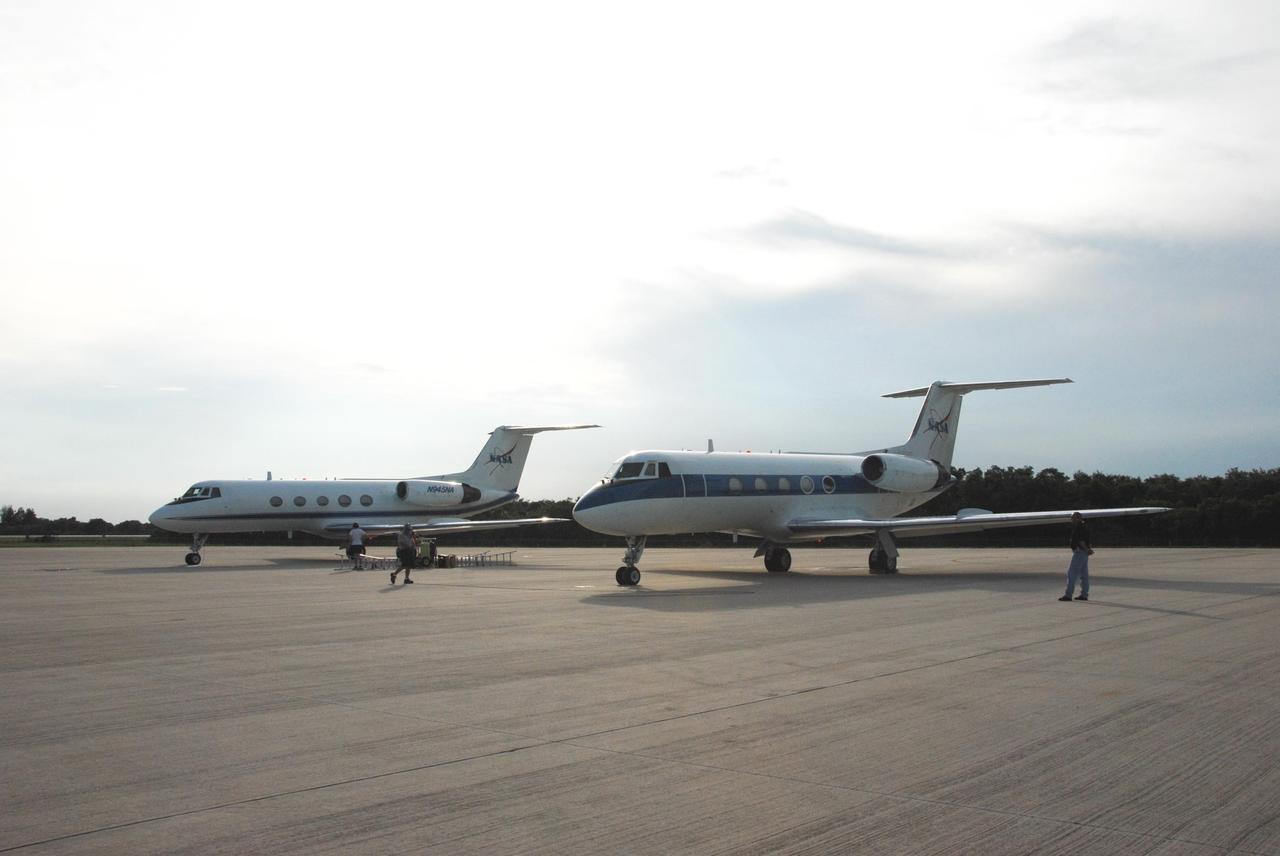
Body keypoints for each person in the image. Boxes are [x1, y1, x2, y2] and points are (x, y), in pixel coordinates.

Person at [1059, 512, 1093, 601]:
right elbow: (1087, 540)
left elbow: (1080, 541)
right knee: (1084, 574)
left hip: (1080, 552)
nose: (1071, 519)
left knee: (1071, 573)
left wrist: (1086, 550)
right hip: (1084, 553)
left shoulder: (1079, 528)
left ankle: (1068, 595)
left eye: (1073, 518)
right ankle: (1084, 594)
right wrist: (1088, 549)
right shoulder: (1085, 526)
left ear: (1078, 518)